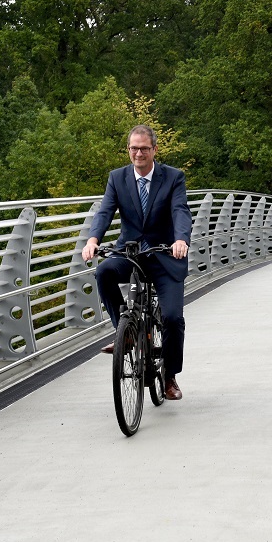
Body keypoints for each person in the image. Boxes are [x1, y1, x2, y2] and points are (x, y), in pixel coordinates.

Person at [82, 125, 192, 401]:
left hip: (165, 255)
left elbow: (180, 211)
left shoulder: (173, 178)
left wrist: (180, 240)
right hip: (130, 253)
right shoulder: (117, 178)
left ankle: (169, 377)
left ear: (155, 149)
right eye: (134, 148)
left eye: (144, 148)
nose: (138, 153)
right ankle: (126, 332)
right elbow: (105, 210)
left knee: (172, 318)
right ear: (128, 150)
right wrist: (92, 239)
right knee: (105, 271)